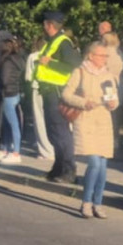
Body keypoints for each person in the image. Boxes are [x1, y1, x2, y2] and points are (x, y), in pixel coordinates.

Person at [62, 42, 119, 218]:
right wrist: (83, 102)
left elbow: (114, 99)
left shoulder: (108, 75)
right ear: (91, 55)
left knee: (103, 164)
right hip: (86, 120)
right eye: (102, 55)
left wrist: (112, 103)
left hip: (103, 121)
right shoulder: (79, 72)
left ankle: (98, 203)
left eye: (106, 56)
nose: (105, 59)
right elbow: (66, 94)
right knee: (94, 162)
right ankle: (86, 202)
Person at [35, 11, 82, 183]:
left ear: (50, 25)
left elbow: (76, 65)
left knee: (61, 132)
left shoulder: (63, 43)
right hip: (49, 92)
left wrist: (51, 63)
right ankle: (58, 168)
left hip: (57, 92)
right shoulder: (52, 42)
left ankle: (69, 171)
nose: (43, 26)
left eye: (45, 23)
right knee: (53, 133)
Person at [0, 34, 26, 164]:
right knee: (8, 123)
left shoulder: (6, 61)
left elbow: (5, 79)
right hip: (15, 92)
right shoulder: (18, 59)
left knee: (12, 124)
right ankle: (5, 149)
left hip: (7, 93)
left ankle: (16, 152)